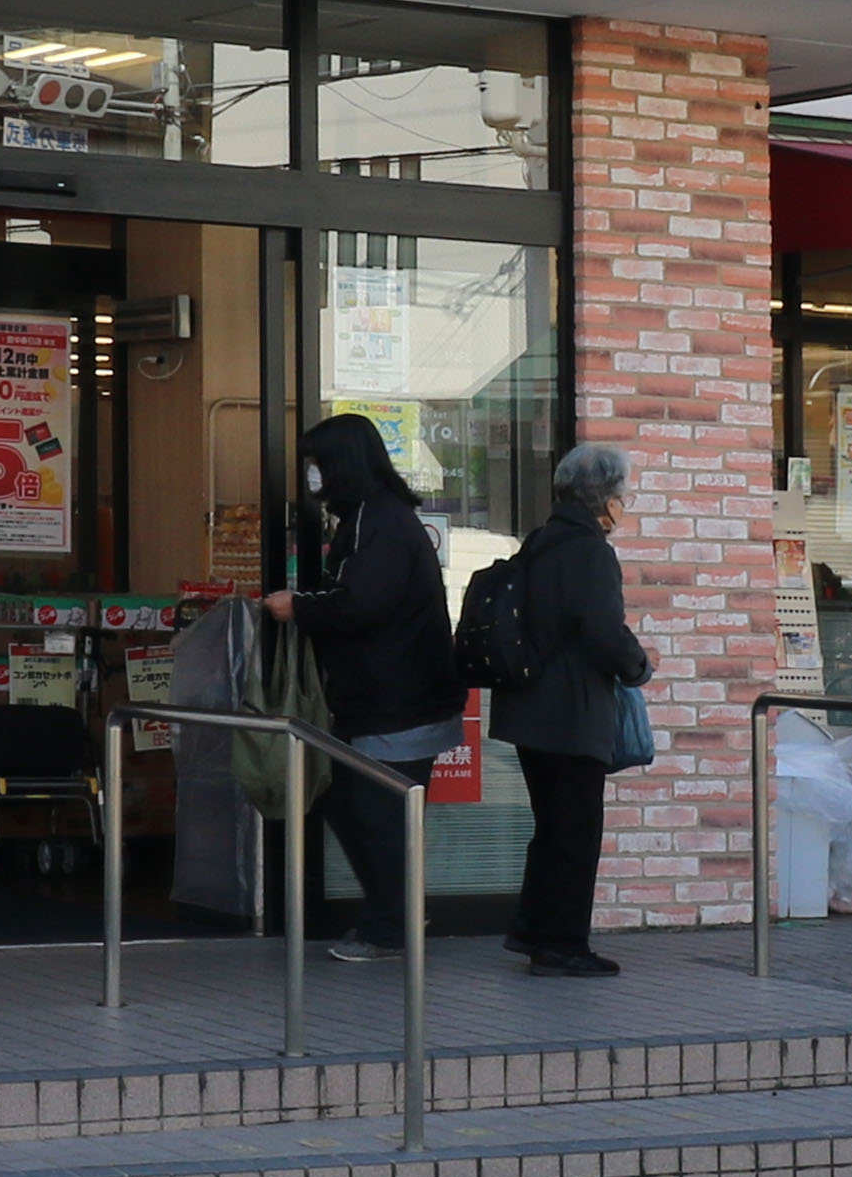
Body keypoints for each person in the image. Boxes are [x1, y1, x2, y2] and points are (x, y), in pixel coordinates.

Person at [261, 413, 465, 960]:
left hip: (399, 702)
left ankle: (391, 926)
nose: (309, 474)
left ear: (340, 465)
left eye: (315, 463)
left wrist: (297, 607)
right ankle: (393, 915)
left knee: (374, 814)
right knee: (349, 805)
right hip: (379, 699)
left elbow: (362, 604)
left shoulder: (380, 522)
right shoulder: (367, 518)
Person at [493, 441, 655, 977]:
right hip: (571, 713)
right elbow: (602, 631)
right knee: (576, 831)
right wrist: (638, 665)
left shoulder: (539, 543)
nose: (624, 507)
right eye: (622, 498)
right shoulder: (590, 552)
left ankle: (536, 934)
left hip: (528, 712)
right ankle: (562, 945)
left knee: (552, 829)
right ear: (604, 501)